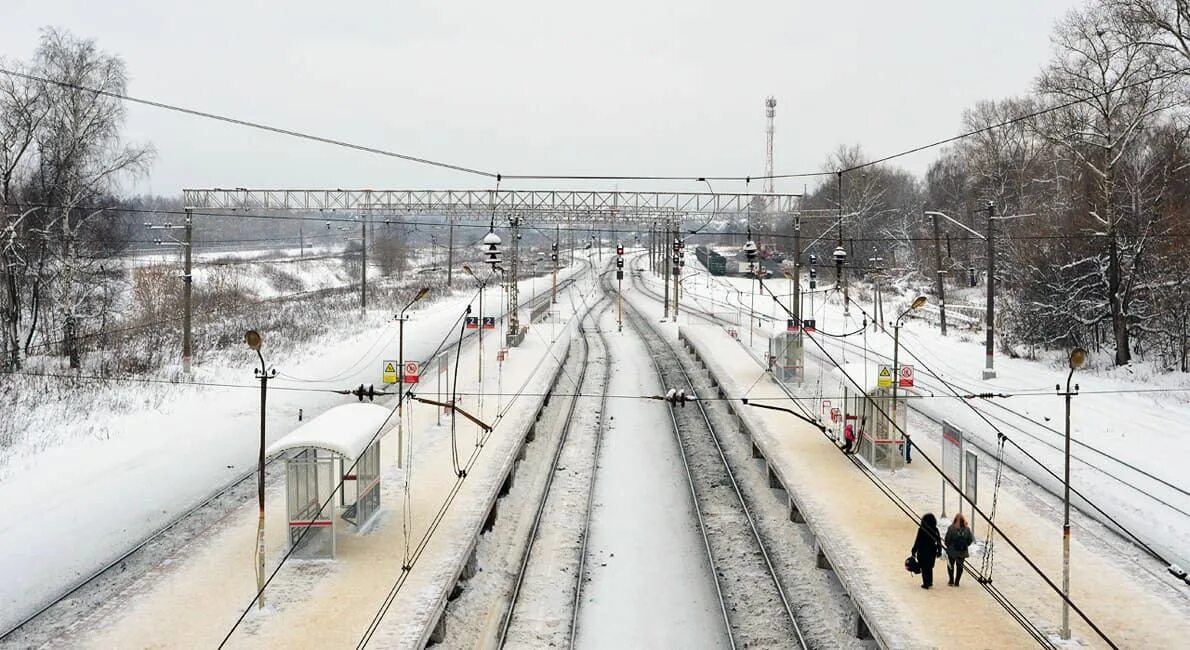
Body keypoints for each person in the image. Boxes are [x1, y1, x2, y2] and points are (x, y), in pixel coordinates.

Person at [911, 513, 942, 589]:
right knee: (929, 567)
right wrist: (939, 550)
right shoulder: (935, 529)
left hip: (922, 550)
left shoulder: (921, 529)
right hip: (932, 551)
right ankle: (930, 581)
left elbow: (917, 540)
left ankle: (926, 583)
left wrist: (914, 550)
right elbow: (938, 541)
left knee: (924, 567)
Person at [945, 512, 975, 586]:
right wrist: (965, 545)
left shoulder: (951, 528)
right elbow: (970, 540)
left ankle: (951, 580)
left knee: (950, 565)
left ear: (955, 520)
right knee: (960, 566)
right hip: (962, 551)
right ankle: (957, 581)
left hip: (952, 551)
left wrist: (948, 546)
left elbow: (947, 539)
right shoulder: (967, 529)